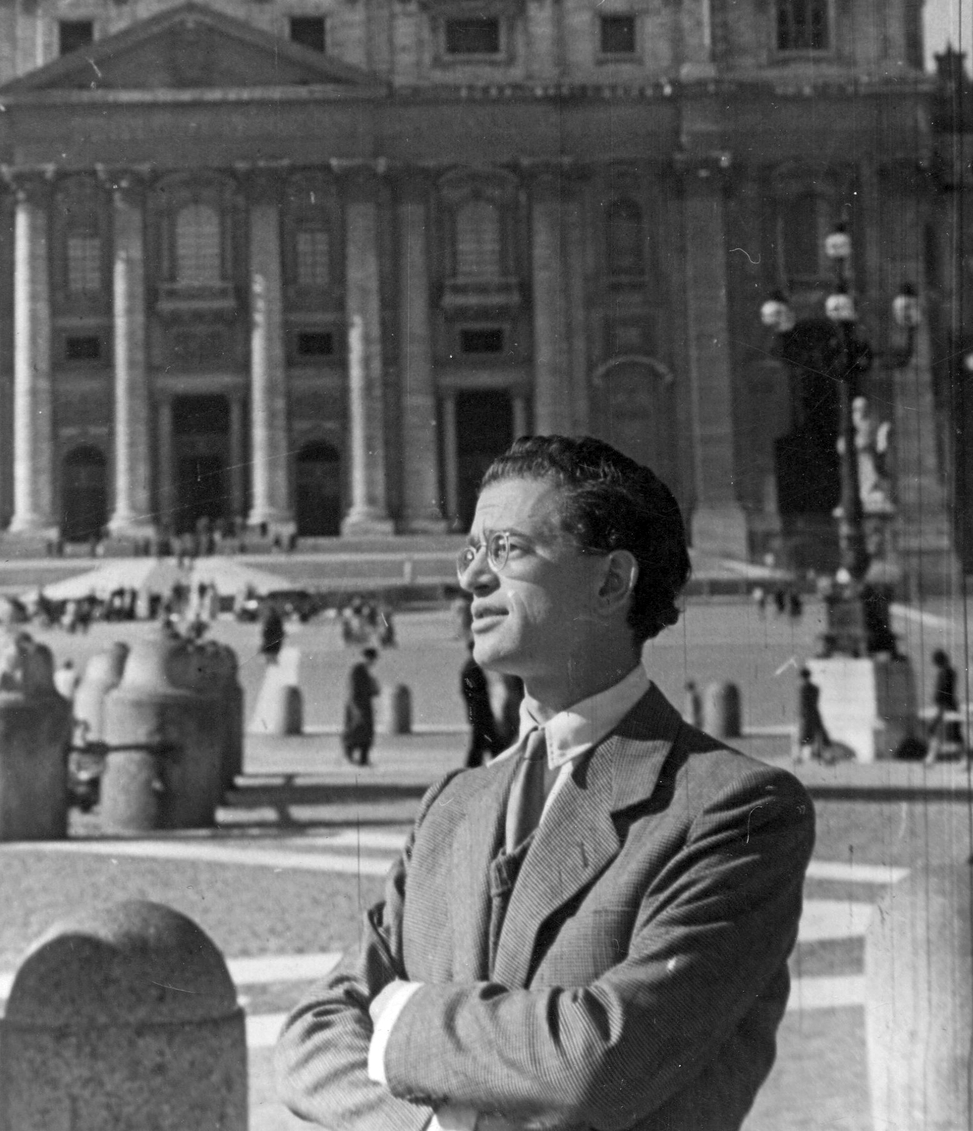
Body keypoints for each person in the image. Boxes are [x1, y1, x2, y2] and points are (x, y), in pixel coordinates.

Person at [276, 434, 815, 1131]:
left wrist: (399, 1015)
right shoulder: (451, 806)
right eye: (470, 552)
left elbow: (598, 1057)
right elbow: (310, 1035)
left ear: (611, 581)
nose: (471, 578)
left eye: (507, 550)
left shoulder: (734, 807)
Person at [460, 639, 501, 767]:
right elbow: (475, 694)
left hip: (479, 714)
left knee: (483, 745)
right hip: (480, 714)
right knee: (488, 745)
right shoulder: (471, 669)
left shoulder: (471, 667)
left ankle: (473, 770)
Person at [342, 647, 380, 767]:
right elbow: (354, 690)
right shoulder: (358, 670)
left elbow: (373, 690)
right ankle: (350, 753)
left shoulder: (364, 670)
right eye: (371, 659)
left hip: (363, 705)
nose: (373, 662)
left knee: (365, 732)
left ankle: (363, 758)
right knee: (357, 731)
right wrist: (356, 707)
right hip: (358, 706)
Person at [925, 648, 964, 763]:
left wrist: (937, 699)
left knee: (936, 729)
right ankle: (933, 756)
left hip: (945, 706)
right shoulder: (949, 671)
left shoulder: (945, 672)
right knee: (953, 732)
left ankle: (932, 756)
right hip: (948, 705)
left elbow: (943, 690)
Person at [796, 668, 831, 762]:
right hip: (815, 713)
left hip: (807, 715)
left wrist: (802, 716)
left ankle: (800, 757)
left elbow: (803, 704)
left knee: (804, 736)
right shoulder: (815, 688)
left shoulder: (803, 688)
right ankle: (826, 756)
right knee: (821, 735)